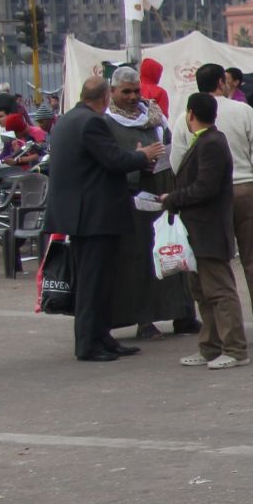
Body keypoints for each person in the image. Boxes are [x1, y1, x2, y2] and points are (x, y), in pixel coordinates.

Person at [42, 76, 164, 362]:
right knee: (92, 283)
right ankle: (88, 344)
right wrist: (141, 155)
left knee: (99, 280)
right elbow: (113, 160)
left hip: (83, 213)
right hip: (93, 215)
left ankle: (102, 337)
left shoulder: (69, 119)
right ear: (107, 96)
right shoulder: (92, 122)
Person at [179, 64, 253, 348]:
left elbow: (179, 163)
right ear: (223, 82)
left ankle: (218, 334)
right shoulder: (243, 111)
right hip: (246, 191)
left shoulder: (185, 118)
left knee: (213, 267)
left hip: (208, 199)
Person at [104, 66, 197, 340]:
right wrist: (136, 163)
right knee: (139, 261)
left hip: (163, 194)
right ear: (112, 92)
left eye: (136, 91)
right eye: (126, 92)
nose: (133, 97)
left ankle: (183, 315)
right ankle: (144, 321)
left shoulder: (154, 118)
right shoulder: (106, 124)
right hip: (131, 202)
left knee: (176, 251)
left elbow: (170, 146)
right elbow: (108, 162)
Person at [163, 93, 247, 370]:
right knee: (202, 291)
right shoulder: (207, 141)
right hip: (197, 231)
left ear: (190, 114)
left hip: (209, 229)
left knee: (220, 291)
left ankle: (234, 348)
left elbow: (205, 187)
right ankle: (210, 346)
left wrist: (173, 198)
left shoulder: (211, 143)